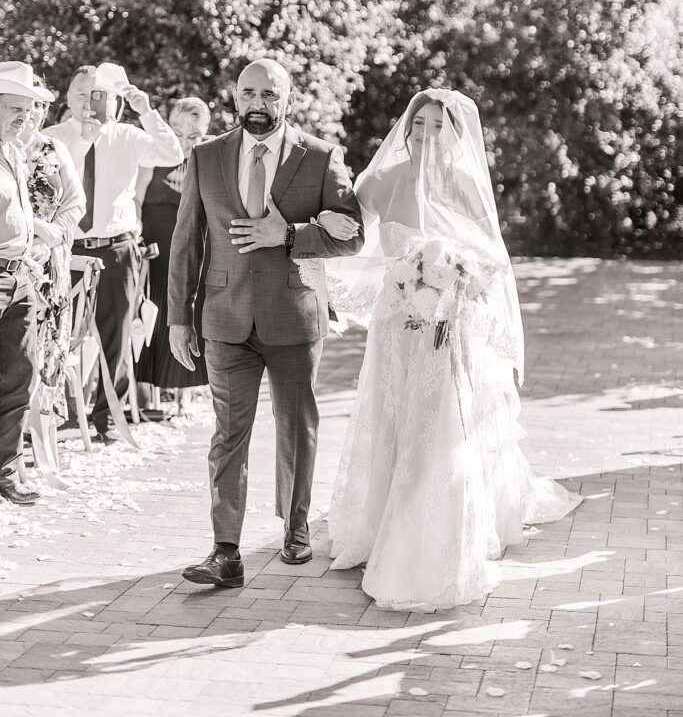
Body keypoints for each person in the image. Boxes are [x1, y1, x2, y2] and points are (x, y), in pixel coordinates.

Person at [324, 89, 581, 611]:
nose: (424, 134)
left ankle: (431, 527)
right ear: (407, 126)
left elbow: (492, 261)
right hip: (395, 328)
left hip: (449, 332)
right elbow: (353, 240)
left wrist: (454, 277)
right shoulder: (380, 180)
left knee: (438, 427)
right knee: (394, 417)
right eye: (418, 123)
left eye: (437, 126)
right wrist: (396, 274)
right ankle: (380, 522)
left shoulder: (465, 185)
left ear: (453, 133)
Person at [168, 59, 364, 589]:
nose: (258, 103)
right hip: (224, 317)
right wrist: (178, 320)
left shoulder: (322, 158)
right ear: (235, 97)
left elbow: (352, 236)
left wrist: (292, 235)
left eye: (269, 94)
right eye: (249, 93)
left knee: (295, 428)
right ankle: (225, 551)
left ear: (288, 98)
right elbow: (186, 241)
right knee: (228, 434)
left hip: (293, 315)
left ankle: (295, 526)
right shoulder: (206, 156)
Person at [44, 65, 183, 443]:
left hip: (117, 250)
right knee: (58, 334)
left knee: (116, 338)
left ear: (113, 100)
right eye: (80, 94)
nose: (88, 103)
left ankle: (107, 420)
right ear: (68, 97)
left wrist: (145, 110)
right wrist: (82, 140)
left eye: (97, 95)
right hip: (66, 249)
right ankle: (61, 415)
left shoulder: (127, 135)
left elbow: (172, 153)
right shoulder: (53, 137)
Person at [135, 97, 212, 413]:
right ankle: (146, 393)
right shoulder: (151, 155)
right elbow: (136, 200)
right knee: (154, 314)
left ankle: (188, 393)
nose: (187, 141)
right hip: (154, 245)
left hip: (193, 247)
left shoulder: (209, 158)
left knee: (190, 312)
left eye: (195, 135)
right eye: (180, 133)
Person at [0, 62, 54, 505]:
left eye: (30, 108)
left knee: (22, 372)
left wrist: (35, 234)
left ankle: (7, 466)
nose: (26, 116)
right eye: (16, 107)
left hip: (18, 276)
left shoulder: (13, 150)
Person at [20, 77, 85, 426]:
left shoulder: (54, 149)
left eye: (41, 105)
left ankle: (36, 427)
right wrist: (34, 228)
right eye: (26, 103)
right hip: (13, 257)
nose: (34, 112)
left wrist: (55, 232)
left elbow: (77, 202)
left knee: (45, 345)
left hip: (51, 263)